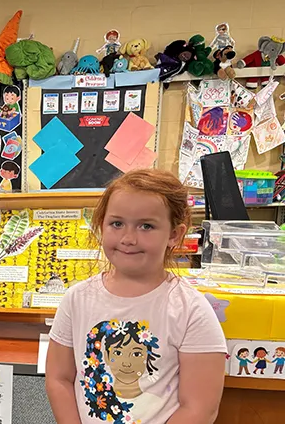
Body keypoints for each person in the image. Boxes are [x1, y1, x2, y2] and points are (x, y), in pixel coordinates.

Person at [46, 169, 227, 424]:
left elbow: (200, 408)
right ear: (101, 226)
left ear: (174, 234)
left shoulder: (191, 310)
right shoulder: (77, 299)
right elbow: (59, 378)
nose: (128, 239)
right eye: (117, 224)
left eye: (146, 226)